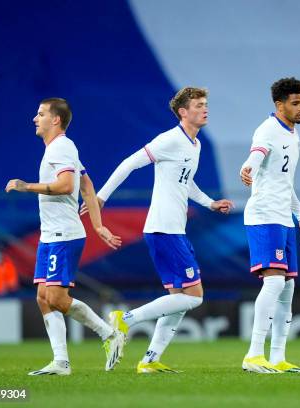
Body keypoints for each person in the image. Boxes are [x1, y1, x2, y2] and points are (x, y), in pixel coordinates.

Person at [88, 87, 234, 374]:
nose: (205, 109)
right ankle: (124, 319)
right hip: (163, 229)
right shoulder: (169, 140)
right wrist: (101, 197)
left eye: (206, 104)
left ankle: (150, 360)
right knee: (194, 296)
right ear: (183, 112)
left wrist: (210, 203)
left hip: (173, 229)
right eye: (199, 105)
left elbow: (187, 181)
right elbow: (129, 163)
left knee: (177, 300)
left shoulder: (195, 145)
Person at [5, 97, 125, 375]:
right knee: (42, 297)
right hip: (50, 235)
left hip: (63, 234)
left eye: (40, 113)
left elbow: (65, 185)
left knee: (57, 298)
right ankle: (61, 362)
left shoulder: (60, 147)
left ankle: (109, 334)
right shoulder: (61, 148)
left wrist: (27, 186)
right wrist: (98, 226)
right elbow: (86, 184)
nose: (35, 118)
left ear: (55, 120)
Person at [239, 77, 300, 374]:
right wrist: (247, 169)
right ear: (279, 104)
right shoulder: (268, 129)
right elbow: (255, 157)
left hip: (283, 217)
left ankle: (277, 358)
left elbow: (286, 183)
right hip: (264, 215)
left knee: (288, 286)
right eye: (295, 103)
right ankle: (253, 355)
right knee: (273, 281)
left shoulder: (294, 136)